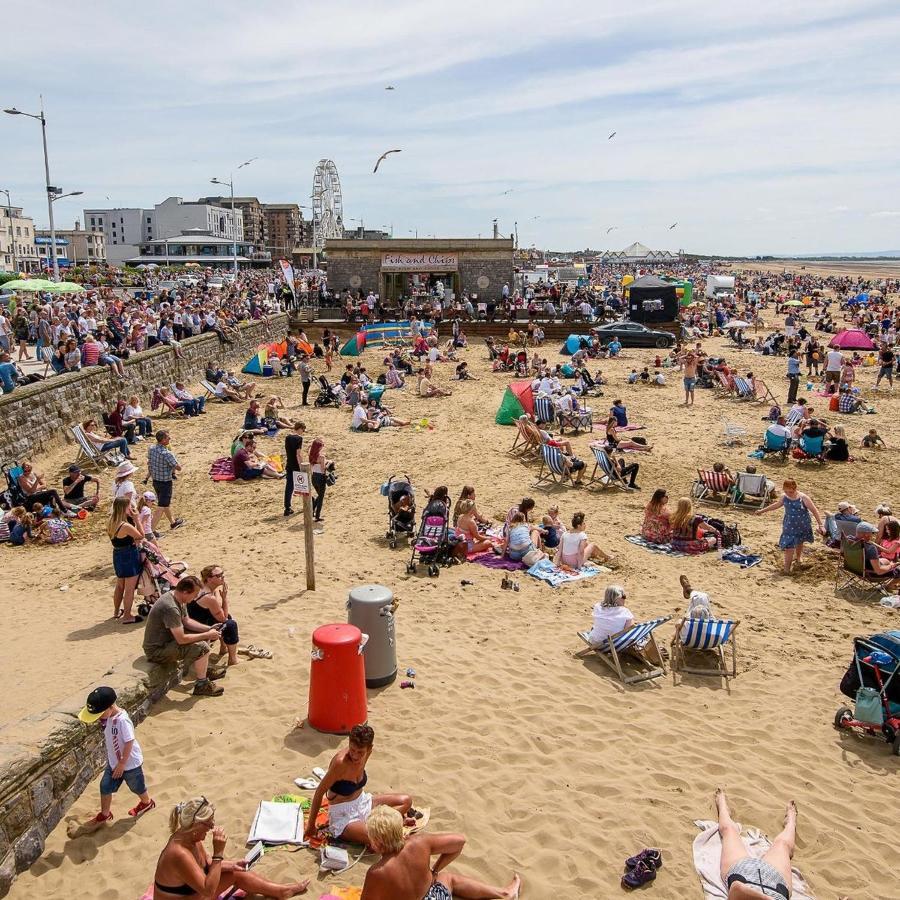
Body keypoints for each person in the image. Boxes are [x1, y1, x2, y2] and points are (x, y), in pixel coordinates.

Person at [152, 797, 309, 899]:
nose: (212, 827)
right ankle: (280, 891)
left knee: (238, 872)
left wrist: (231, 864)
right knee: (235, 876)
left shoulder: (191, 837)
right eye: (209, 823)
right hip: (194, 894)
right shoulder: (179, 853)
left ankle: (280, 890)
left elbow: (206, 863)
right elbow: (208, 891)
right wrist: (218, 853)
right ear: (196, 825)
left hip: (194, 893)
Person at [361, 804, 521, 900]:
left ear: (377, 841)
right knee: (447, 878)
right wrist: (435, 871)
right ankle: (504, 893)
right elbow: (459, 841)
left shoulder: (377, 872)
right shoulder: (419, 842)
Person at [304, 724, 417, 846]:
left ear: (369, 749)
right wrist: (311, 826)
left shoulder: (367, 754)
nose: (355, 756)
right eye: (352, 750)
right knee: (379, 838)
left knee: (406, 801)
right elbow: (319, 792)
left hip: (363, 802)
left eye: (360, 752)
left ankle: (391, 822)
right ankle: (391, 823)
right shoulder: (340, 763)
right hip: (344, 815)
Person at [78, 686, 154, 825]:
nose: (98, 718)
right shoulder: (108, 717)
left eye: (99, 714)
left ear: (110, 708)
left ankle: (147, 803)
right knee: (105, 786)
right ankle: (105, 814)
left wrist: (122, 763)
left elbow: (129, 741)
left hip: (130, 764)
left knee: (136, 786)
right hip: (114, 763)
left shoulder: (122, 721)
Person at [142, 576, 226, 697]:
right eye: (195, 594)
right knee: (202, 646)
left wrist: (209, 629)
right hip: (157, 651)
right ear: (186, 592)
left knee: (202, 637)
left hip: (168, 642)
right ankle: (201, 684)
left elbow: (186, 621)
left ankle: (203, 670)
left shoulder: (178, 598)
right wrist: (207, 634)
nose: (196, 597)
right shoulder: (171, 608)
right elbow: (181, 639)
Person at [715, 789, 797, 900]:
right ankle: (791, 820)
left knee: (729, 830)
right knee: (783, 845)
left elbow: (736, 888)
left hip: (742, 871)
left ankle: (723, 806)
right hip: (776, 882)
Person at [757, 479, 825, 574]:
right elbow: (776, 505)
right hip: (789, 525)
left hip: (802, 524)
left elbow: (814, 510)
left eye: (791, 491)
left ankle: (798, 557)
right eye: (786, 491)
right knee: (789, 546)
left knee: (800, 540)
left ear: (795, 488)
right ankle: (787, 569)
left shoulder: (803, 498)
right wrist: (762, 511)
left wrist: (821, 525)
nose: (788, 493)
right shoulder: (784, 497)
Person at [586, 584, 663, 663]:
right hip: (615, 646)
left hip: (595, 642)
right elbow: (629, 631)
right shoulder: (625, 612)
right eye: (623, 597)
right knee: (635, 631)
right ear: (616, 598)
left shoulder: (597, 606)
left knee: (596, 627)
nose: (625, 599)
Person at [189, 566, 241, 667]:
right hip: (200, 632)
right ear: (209, 579)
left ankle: (223, 648)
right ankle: (233, 659)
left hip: (193, 624)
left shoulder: (202, 587)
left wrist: (218, 596)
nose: (223, 577)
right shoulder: (208, 597)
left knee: (226, 616)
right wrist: (224, 598)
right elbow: (223, 619)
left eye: (222, 573)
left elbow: (217, 610)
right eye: (219, 575)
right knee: (230, 624)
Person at [108, 497, 145, 624]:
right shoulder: (125, 526)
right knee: (129, 588)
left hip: (117, 554)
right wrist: (137, 519)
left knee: (120, 585)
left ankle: (116, 611)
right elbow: (141, 536)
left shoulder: (111, 521)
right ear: (125, 508)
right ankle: (128, 615)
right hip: (128, 554)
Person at [148, 431, 185, 531]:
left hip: (155, 480)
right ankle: (150, 531)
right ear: (163, 440)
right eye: (168, 438)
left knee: (164, 502)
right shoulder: (167, 454)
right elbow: (178, 467)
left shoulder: (151, 448)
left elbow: (150, 462)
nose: (170, 439)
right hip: (165, 482)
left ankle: (173, 522)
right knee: (162, 505)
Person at [283, 420, 306, 516]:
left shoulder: (288, 437)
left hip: (289, 464)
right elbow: (298, 454)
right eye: (303, 430)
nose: (303, 432)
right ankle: (307, 504)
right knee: (303, 485)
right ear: (300, 429)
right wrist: (301, 466)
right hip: (296, 465)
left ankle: (287, 507)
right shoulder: (299, 439)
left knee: (289, 487)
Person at [308, 438, 331, 522]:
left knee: (320, 495)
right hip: (320, 477)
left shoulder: (311, 455)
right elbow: (323, 469)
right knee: (321, 497)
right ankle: (317, 516)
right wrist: (328, 463)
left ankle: (312, 509)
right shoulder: (321, 457)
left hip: (314, 477)